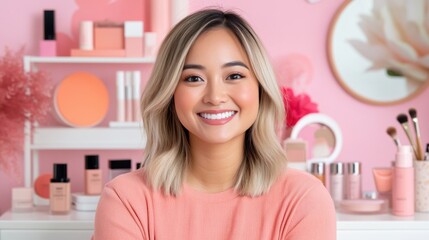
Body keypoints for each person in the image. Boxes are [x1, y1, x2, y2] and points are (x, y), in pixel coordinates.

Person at [93, 8, 336, 240]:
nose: (215, 96)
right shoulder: (126, 199)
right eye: (193, 78)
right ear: (169, 94)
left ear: (260, 89)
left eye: (234, 76)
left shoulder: (303, 199)